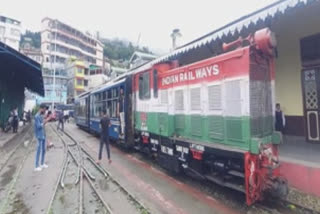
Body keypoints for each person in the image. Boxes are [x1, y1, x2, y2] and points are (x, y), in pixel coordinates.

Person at [34, 103, 50, 171]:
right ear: (41, 108)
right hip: (39, 135)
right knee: (38, 150)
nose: (45, 110)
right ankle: (36, 166)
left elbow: (43, 125)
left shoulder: (41, 115)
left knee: (43, 150)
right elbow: (38, 126)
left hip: (43, 134)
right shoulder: (37, 116)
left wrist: (45, 121)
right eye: (44, 109)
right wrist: (44, 122)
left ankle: (42, 163)